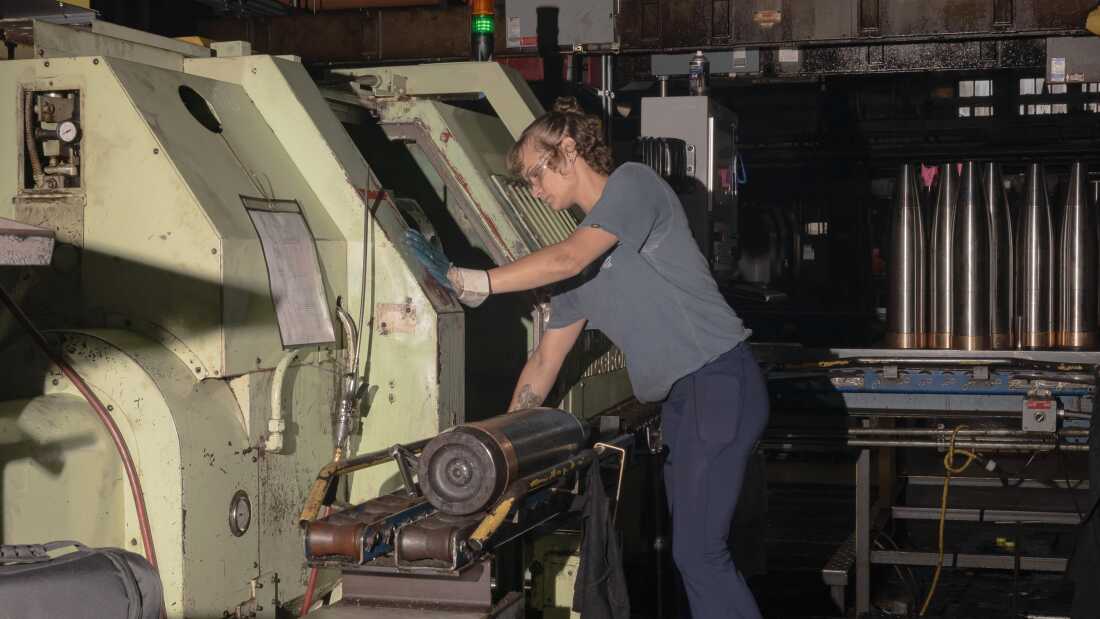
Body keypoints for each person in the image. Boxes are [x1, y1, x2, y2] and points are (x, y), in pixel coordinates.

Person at [406, 97, 769, 618]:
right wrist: (498, 450)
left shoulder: (634, 185)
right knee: (696, 555)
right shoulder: (579, 271)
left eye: (536, 173)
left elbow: (570, 255)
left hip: (718, 380)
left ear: (569, 151)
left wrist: (479, 282)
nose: (534, 189)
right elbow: (544, 364)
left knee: (700, 553)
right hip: (686, 401)